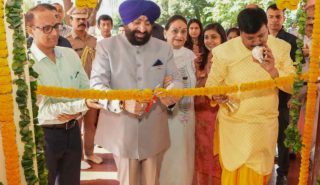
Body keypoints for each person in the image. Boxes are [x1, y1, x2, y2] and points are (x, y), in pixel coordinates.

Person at [90, 0, 182, 185]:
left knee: (152, 181)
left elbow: (176, 80)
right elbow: (97, 86)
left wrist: (171, 94)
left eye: (148, 23)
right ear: (125, 22)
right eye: (137, 22)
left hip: (154, 128)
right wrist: (122, 103)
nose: (142, 28)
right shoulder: (106, 47)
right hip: (121, 131)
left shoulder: (163, 48)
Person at [205, 8, 295, 184]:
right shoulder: (224, 51)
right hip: (234, 126)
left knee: (258, 175)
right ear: (240, 33)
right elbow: (210, 85)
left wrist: (273, 70)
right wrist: (216, 95)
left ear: (266, 27)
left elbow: (293, 86)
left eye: (261, 35)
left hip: (263, 126)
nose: (256, 42)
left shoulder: (281, 48)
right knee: (233, 174)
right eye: (250, 39)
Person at [25, 4, 101, 185]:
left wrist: (81, 108)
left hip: (73, 133)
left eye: (56, 26)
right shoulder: (26, 65)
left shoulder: (69, 55)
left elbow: (86, 89)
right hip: (44, 137)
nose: (53, 33)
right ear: (30, 30)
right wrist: (83, 105)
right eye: (45, 28)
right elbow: (43, 109)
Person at [159, 15, 196, 185]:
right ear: (165, 32)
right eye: (175, 31)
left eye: (183, 31)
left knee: (185, 158)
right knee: (166, 158)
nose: (179, 35)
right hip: (163, 119)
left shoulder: (190, 56)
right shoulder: (157, 56)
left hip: (187, 118)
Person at [266, 4, 299, 184]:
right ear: (266, 18)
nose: (275, 20)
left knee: (283, 134)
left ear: (283, 19)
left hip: (283, 94)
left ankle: (283, 172)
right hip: (262, 94)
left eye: (278, 17)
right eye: (271, 16)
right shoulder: (259, 39)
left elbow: (297, 70)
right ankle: (265, 168)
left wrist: (293, 96)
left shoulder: (291, 41)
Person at [66, 7, 101, 169]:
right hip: (75, 90)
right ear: (70, 21)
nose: (81, 22)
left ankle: (89, 152)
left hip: (92, 88)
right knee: (76, 125)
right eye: (77, 19)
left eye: (83, 19)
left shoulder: (94, 40)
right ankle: (78, 158)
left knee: (90, 124)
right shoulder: (66, 42)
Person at [194, 23, 227, 185]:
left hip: (219, 112)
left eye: (214, 37)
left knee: (217, 152)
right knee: (201, 152)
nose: (209, 41)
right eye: (206, 37)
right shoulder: (200, 59)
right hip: (199, 112)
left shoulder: (227, 58)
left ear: (222, 38)